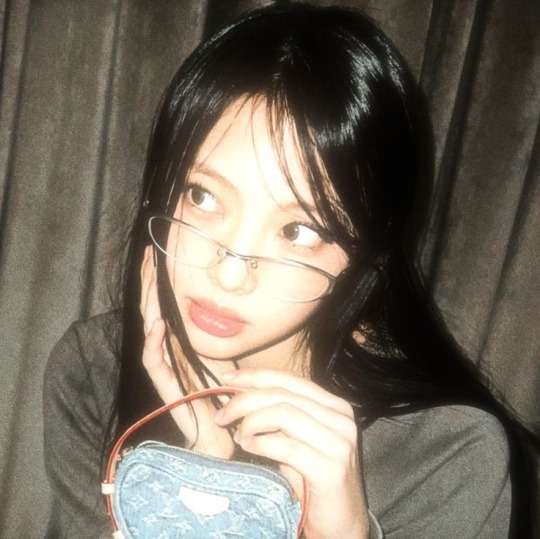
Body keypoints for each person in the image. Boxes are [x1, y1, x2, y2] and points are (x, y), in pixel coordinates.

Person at [43, 3, 537, 538]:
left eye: (298, 230)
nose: (229, 276)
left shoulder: (446, 456)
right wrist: (206, 462)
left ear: (363, 258)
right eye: (202, 196)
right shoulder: (95, 370)